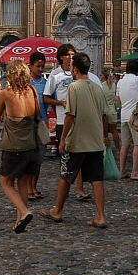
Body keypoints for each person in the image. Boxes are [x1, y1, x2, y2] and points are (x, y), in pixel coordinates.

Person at [41, 53, 109, 228]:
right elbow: (104, 115)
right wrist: (104, 135)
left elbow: (70, 115)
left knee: (66, 175)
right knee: (96, 179)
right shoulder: (97, 87)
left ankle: (57, 210)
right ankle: (100, 216)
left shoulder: (74, 87)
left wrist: (63, 139)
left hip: (78, 140)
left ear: (75, 69)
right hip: (95, 140)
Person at [43, 43, 102, 199]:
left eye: (73, 54)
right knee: (67, 160)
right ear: (61, 57)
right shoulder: (55, 75)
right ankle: (64, 194)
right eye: (68, 54)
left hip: (82, 121)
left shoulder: (84, 76)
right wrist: (61, 103)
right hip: (64, 120)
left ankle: (79, 189)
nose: (70, 57)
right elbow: (46, 97)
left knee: (81, 157)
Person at [0, 60, 43, 233]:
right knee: (23, 182)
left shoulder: (6, 93)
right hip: (32, 144)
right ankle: (19, 220)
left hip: (14, 145)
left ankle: (23, 211)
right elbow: (38, 114)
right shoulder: (32, 91)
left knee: (6, 182)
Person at [116, 59, 138, 179]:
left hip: (124, 115)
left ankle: (121, 171)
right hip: (135, 115)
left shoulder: (120, 82)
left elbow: (117, 101)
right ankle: (134, 172)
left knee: (125, 145)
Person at [28, 51, 47, 200]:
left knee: (39, 158)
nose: (40, 69)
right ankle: (28, 188)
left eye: (42, 66)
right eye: (38, 66)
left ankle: (34, 186)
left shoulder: (46, 83)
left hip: (42, 122)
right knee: (29, 157)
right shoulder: (26, 83)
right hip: (28, 124)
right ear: (31, 66)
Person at [100, 68, 120, 152]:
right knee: (114, 131)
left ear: (104, 76)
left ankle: (106, 149)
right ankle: (118, 149)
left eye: (100, 75)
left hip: (104, 111)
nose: (99, 77)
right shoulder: (113, 85)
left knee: (104, 133)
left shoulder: (101, 86)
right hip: (112, 110)